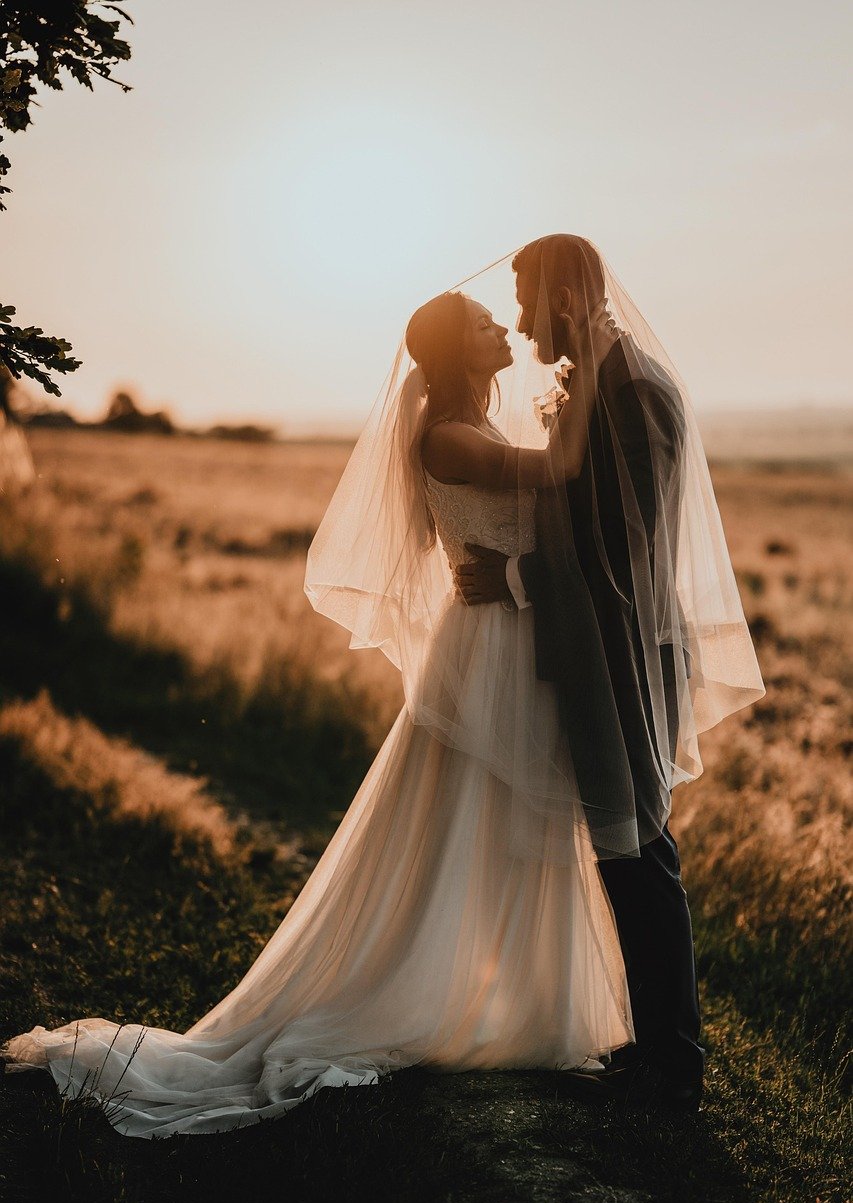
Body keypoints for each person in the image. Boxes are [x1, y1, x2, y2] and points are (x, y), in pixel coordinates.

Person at [1, 281, 638, 1138]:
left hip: (512, 636)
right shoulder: (447, 436)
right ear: (454, 351)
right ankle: (429, 994)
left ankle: (515, 999)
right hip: (486, 646)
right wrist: (592, 369)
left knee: (513, 813)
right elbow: (560, 475)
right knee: (468, 816)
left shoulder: (483, 425)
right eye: (484, 324)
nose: (500, 328)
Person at [454, 234, 765, 1109]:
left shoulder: (635, 394)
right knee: (624, 849)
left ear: (559, 297)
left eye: (523, 303)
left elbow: (622, 552)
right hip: (597, 649)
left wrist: (512, 577)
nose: (518, 323)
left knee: (641, 852)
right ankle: (656, 1048)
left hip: (625, 651)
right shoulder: (599, 383)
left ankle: (673, 1065)